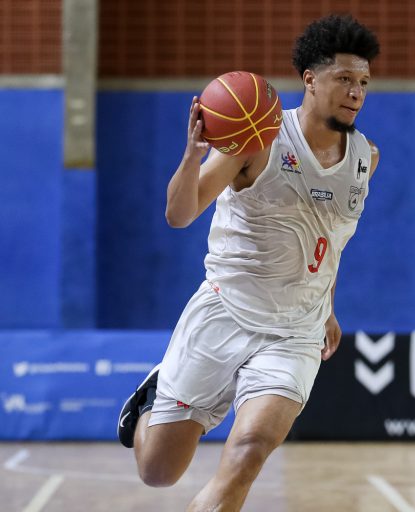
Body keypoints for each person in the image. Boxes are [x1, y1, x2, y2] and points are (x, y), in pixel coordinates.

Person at [116, 14, 380, 511]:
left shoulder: (366, 157)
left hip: (295, 332)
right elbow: (179, 214)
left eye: (363, 82)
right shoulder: (259, 137)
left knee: (250, 450)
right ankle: (154, 397)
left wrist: (327, 306)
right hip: (225, 311)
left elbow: (331, 239)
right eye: (344, 78)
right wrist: (193, 156)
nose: (356, 92)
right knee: (158, 472)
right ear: (310, 79)